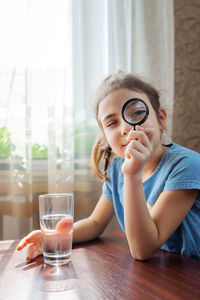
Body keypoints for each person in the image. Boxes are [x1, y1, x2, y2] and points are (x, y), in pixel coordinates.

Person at [17, 71, 200, 261]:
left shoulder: (186, 166)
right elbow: (96, 222)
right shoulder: (117, 168)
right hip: (165, 271)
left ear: (161, 118)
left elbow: (142, 250)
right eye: (112, 122)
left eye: (137, 113)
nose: (126, 128)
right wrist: (54, 236)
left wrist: (132, 175)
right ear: (105, 137)